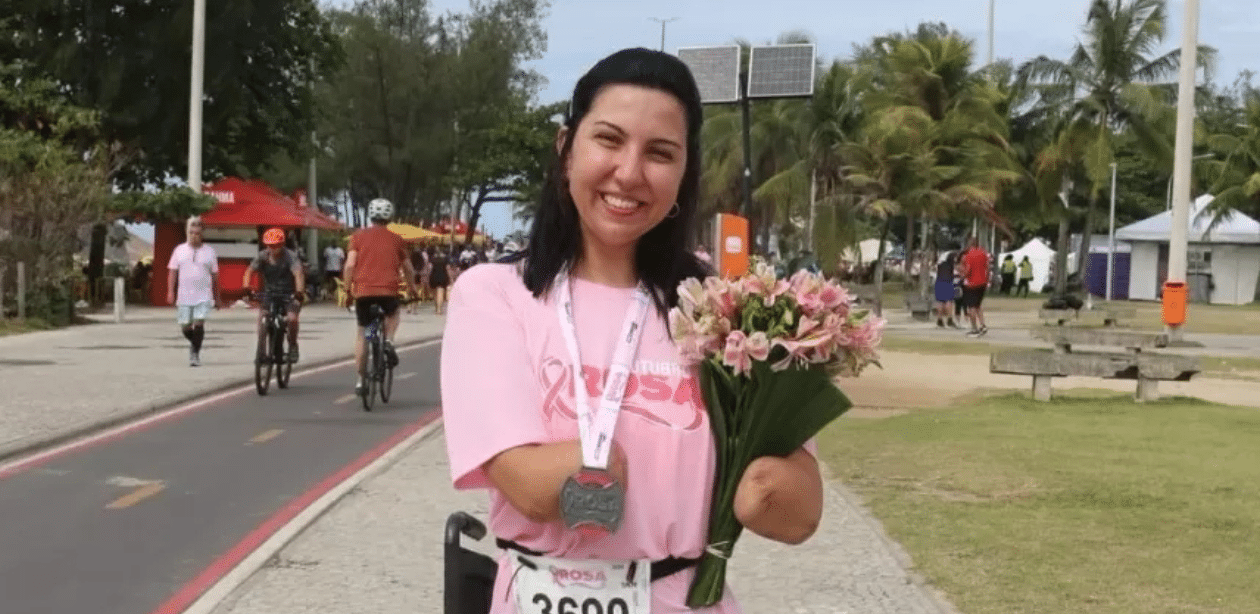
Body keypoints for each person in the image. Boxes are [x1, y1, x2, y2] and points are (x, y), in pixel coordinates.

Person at [439, 47, 823, 614]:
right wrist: (597, 468)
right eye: (609, 140)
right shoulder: (497, 295)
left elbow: (799, 513)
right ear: (566, 149)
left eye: (660, 153)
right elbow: (526, 484)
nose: (629, 172)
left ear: (685, 172)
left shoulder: (726, 311)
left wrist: (768, 492)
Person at [341, 198, 420, 396]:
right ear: (390, 216)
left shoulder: (357, 237)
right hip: (388, 291)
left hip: (363, 292)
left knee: (362, 333)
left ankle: (361, 380)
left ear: (370, 215)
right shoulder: (397, 239)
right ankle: (389, 341)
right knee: (393, 314)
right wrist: (412, 289)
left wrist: (347, 290)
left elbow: (350, 265)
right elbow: (408, 269)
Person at [242, 228, 306, 363]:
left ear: (282, 244)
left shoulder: (290, 256)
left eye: (276, 245)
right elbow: (249, 271)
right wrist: (246, 288)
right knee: (262, 319)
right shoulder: (263, 256)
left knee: (292, 318)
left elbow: (298, 274)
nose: (273, 249)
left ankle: (293, 345)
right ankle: (261, 352)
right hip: (269, 293)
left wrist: (299, 293)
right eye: (270, 245)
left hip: (289, 294)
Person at [166, 216, 221, 367]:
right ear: (187, 233)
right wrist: (170, 292)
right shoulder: (179, 250)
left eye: (197, 233)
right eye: (191, 233)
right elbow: (172, 272)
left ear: (202, 234)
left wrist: (217, 297)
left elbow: (215, 276)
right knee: (185, 327)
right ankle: (196, 342)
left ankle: (194, 353)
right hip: (184, 295)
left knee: (199, 324)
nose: (194, 236)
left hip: (203, 295)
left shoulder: (209, 252)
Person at [959, 236, 990, 336]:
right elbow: (987, 267)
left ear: (969, 244)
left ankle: (974, 328)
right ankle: (983, 325)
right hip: (982, 283)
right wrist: (987, 279)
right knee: (978, 305)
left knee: (971, 306)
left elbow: (968, 269)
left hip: (972, 284)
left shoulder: (969, 255)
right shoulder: (983, 253)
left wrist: (963, 276)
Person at [934, 251, 960, 329]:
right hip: (947, 281)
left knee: (940, 301)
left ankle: (939, 320)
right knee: (949, 301)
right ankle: (949, 319)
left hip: (939, 281)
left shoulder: (940, 260)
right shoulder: (951, 259)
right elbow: (957, 268)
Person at [427, 246, 453, 315]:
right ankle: (439, 310)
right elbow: (448, 268)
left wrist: (428, 277)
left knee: (435, 294)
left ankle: (437, 308)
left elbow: (429, 268)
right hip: (443, 276)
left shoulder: (432, 258)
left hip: (433, 276)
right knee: (440, 293)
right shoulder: (445, 258)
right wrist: (451, 278)